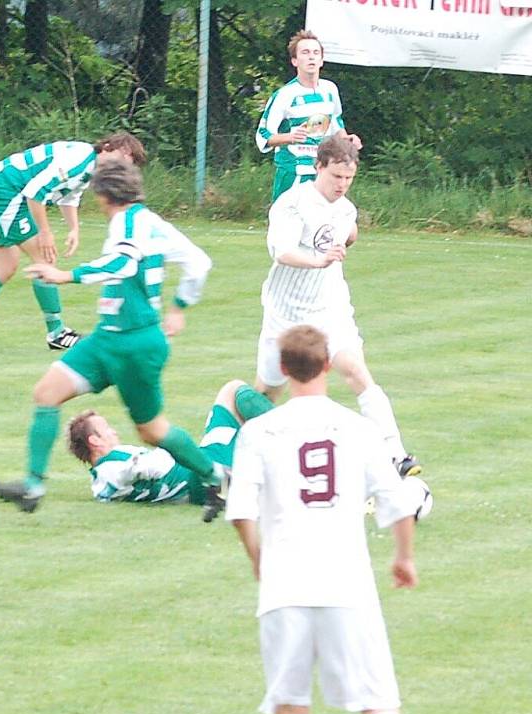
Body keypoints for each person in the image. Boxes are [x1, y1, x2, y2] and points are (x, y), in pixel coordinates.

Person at [226, 324, 429, 714]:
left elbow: (241, 510)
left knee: (291, 712)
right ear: (327, 366)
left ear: (282, 368)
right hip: (347, 585)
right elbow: (397, 503)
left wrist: (260, 560)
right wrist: (404, 558)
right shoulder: (358, 428)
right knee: (379, 705)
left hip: (283, 588)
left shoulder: (259, 432)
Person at [0, 160, 224, 516]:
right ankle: (33, 486)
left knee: (152, 430)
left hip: (135, 343)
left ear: (105, 195)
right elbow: (199, 263)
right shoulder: (152, 222)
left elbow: (122, 264)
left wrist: (66, 275)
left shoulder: (128, 224)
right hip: (107, 337)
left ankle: (216, 478)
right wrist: (178, 307)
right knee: (46, 393)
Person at [256, 135, 420, 477]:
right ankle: (238, 458)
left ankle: (396, 455)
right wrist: (318, 261)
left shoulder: (346, 208)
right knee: (268, 391)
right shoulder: (292, 203)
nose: (342, 185)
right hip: (284, 313)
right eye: (336, 177)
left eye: (348, 178)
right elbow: (282, 252)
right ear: (319, 167)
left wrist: (347, 239)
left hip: (330, 307)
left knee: (356, 372)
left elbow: (348, 231)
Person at [0, 132, 147, 348]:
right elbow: (35, 192)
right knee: (44, 261)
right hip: (7, 192)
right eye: (121, 156)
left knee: (6, 265)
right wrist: (45, 232)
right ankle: (56, 333)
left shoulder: (91, 167)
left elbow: (69, 196)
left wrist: (74, 229)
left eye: (127, 163)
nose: (121, 164)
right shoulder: (79, 159)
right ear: (106, 146)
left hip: (4, 189)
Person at [67, 380, 274, 521]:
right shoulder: (114, 462)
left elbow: (110, 490)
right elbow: (148, 466)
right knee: (233, 390)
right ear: (94, 440)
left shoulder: (100, 482)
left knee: (236, 408)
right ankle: (297, 433)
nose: (113, 431)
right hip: (200, 474)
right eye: (106, 428)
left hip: (198, 475)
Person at [256, 30, 362, 202]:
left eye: (315, 53)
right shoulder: (284, 95)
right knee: (288, 225)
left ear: (321, 60)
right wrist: (289, 137)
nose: (311, 57)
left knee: (337, 226)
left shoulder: (330, 90)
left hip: (322, 171)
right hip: (293, 171)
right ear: (295, 61)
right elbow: (262, 135)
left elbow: (335, 122)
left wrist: (347, 139)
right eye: (305, 53)